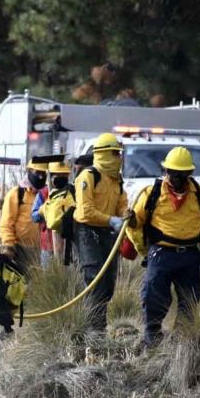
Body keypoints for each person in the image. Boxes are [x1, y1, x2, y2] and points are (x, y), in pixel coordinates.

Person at [127, 147, 200, 348]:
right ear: (165, 170)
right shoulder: (152, 193)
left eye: (179, 174)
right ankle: (151, 339)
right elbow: (134, 224)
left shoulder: (197, 193)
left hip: (190, 256)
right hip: (161, 254)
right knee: (154, 295)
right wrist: (143, 250)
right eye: (171, 172)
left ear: (188, 174)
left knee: (190, 300)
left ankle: (183, 343)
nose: (174, 177)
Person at [73, 133, 128, 334]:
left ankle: (99, 326)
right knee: (95, 278)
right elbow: (85, 211)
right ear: (104, 153)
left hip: (108, 234)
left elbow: (121, 203)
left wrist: (124, 215)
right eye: (115, 153)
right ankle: (92, 330)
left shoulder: (116, 179)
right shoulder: (88, 177)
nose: (119, 158)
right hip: (87, 233)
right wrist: (110, 219)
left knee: (108, 283)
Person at [0, 160, 48, 275]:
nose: (40, 176)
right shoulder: (16, 194)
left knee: (39, 283)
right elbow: (6, 224)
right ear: (29, 171)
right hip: (20, 250)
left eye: (43, 173)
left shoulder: (47, 194)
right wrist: (9, 246)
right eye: (37, 172)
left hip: (44, 250)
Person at [34, 160, 75, 265]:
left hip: (68, 245)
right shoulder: (43, 194)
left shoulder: (72, 192)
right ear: (51, 177)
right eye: (59, 175)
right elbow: (34, 216)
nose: (62, 178)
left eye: (64, 175)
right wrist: (46, 210)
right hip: (48, 245)